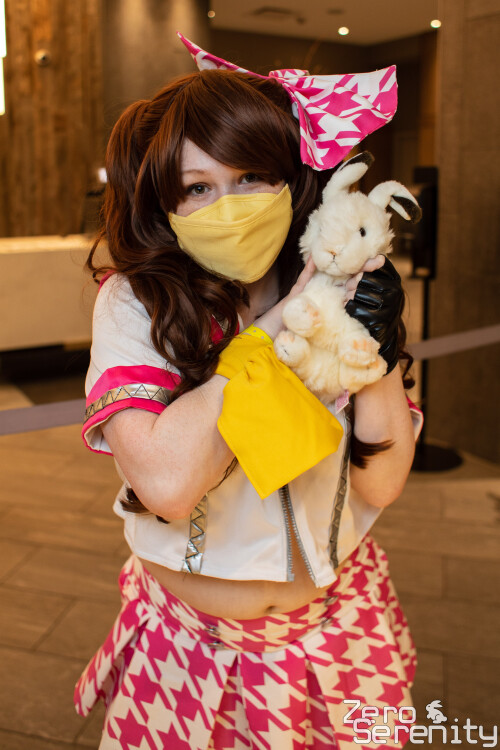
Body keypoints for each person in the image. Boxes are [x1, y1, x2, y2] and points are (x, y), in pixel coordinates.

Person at [74, 36, 423, 750]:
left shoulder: (336, 281)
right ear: (165, 203)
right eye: (197, 188)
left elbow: (382, 483)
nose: (229, 206)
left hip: (340, 628)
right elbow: (169, 485)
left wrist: (376, 349)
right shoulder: (137, 304)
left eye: (251, 177)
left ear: (291, 179)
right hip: (189, 645)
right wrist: (274, 328)